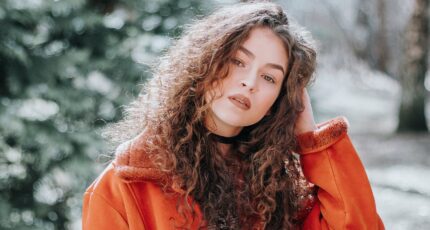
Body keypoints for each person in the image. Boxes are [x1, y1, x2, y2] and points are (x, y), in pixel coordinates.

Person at [82, 2, 384, 229]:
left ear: (280, 100)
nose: (249, 82)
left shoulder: (278, 188)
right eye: (239, 61)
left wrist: (312, 141)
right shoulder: (124, 187)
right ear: (205, 62)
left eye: (269, 78)